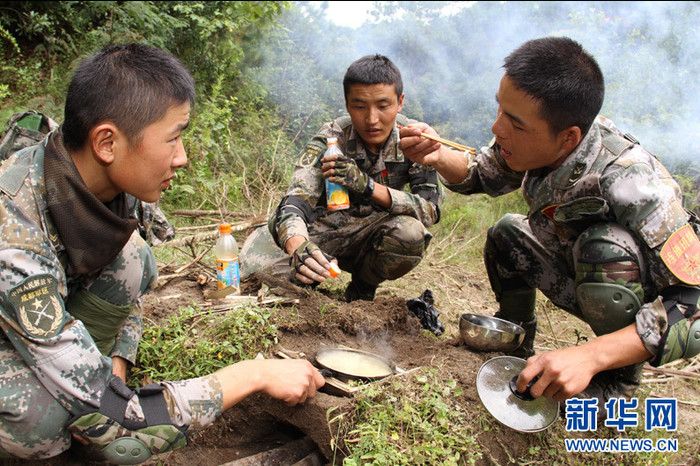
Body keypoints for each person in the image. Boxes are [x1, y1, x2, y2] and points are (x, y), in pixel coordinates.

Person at [0, 43, 324, 463]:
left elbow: (129, 291)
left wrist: (118, 359)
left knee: (133, 257)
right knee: (40, 420)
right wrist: (254, 374)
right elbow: (123, 417)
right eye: (172, 139)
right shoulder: (14, 235)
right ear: (106, 143)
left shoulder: (109, 184)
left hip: (46, 314)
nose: (182, 157)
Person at [399, 36, 699, 413]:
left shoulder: (633, 183)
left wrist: (591, 355)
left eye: (514, 123)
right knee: (508, 232)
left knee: (603, 246)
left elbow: (694, 304)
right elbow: (483, 172)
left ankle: (615, 381)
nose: (497, 127)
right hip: (575, 269)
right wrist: (437, 155)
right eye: (500, 109)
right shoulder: (542, 137)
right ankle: (515, 338)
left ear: (568, 138)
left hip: (629, 296)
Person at [240, 54, 441, 302]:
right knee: (258, 274)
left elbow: (430, 210)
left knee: (410, 234)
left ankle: (363, 287)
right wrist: (299, 248)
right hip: (323, 231)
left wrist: (367, 186)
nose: (372, 119)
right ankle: (310, 275)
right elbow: (294, 204)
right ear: (347, 104)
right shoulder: (331, 138)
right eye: (360, 106)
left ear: (400, 102)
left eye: (383, 106)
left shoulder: (415, 139)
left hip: (373, 235)